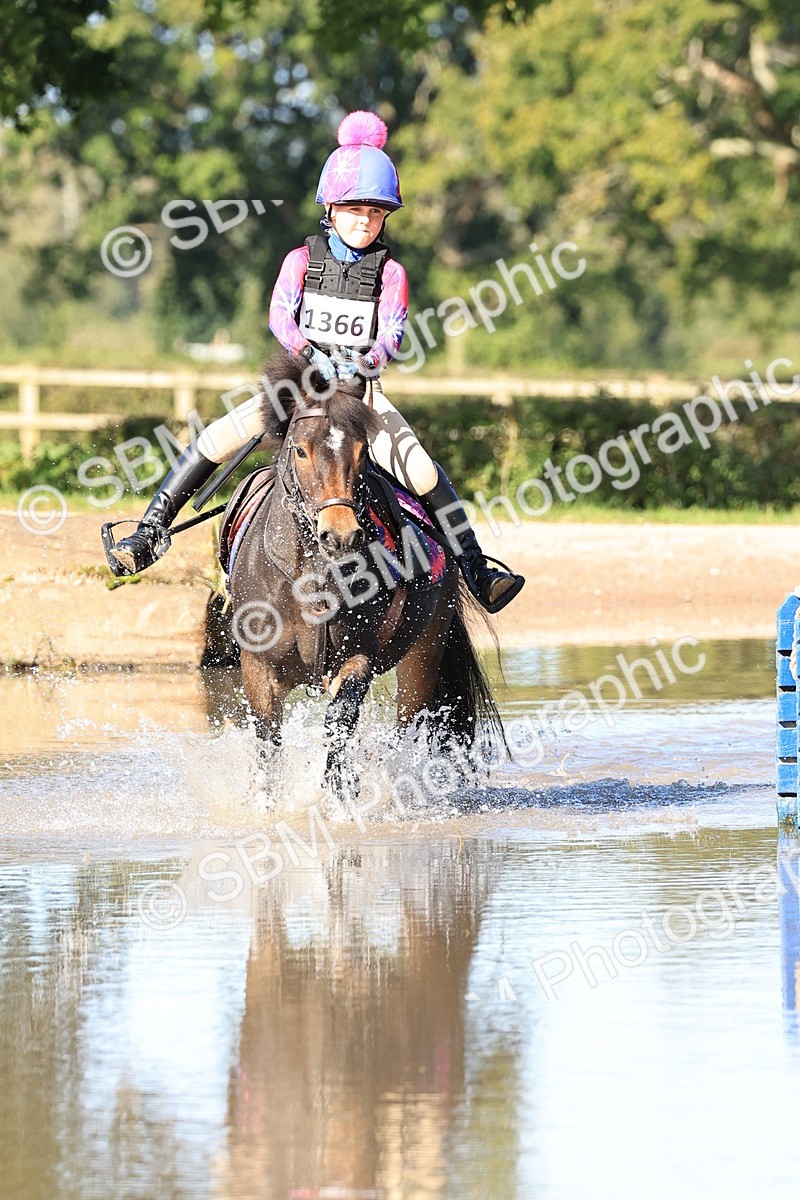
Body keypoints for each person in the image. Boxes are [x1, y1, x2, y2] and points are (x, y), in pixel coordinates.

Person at [105, 111, 524, 613]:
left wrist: (365, 363)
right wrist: (310, 354)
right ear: (331, 208)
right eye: (354, 209)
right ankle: (148, 534)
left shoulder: (391, 273)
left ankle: (477, 569)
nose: (365, 220)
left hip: (359, 395)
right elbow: (279, 316)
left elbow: (392, 332)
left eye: (376, 212)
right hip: (297, 389)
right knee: (215, 438)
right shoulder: (300, 260)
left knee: (421, 470)